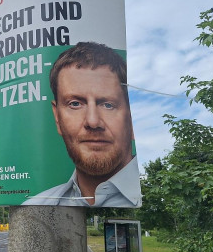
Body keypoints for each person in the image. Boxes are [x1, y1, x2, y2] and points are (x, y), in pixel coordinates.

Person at [23, 42, 141, 207]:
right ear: (57, 117)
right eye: (75, 104)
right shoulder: (37, 203)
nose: (93, 122)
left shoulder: (154, 197)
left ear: (131, 117)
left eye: (108, 105)